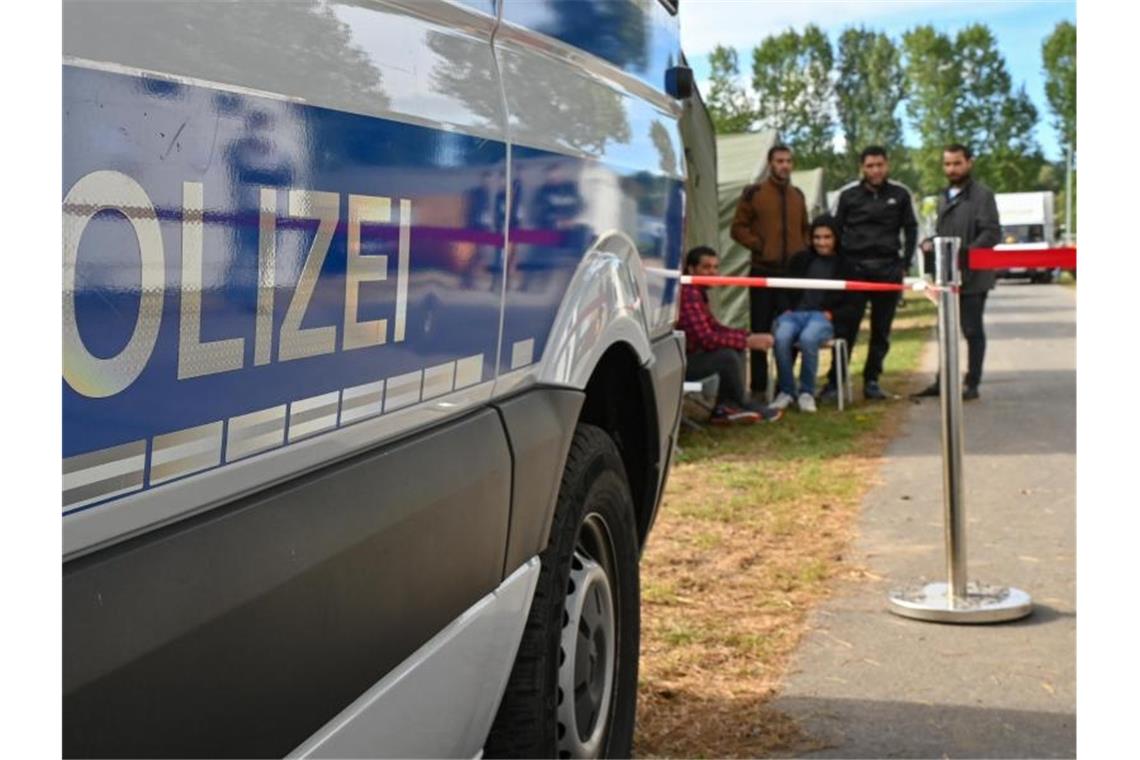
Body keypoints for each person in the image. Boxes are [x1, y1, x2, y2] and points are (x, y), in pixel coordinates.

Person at [826, 146, 917, 401]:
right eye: (870, 166)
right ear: (862, 168)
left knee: (881, 330)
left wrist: (904, 264)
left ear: (887, 165)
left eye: (879, 165)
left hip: (888, 269)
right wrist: (839, 265)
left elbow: (911, 229)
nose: (875, 170)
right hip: (855, 269)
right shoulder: (848, 195)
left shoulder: (900, 194)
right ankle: (835, 382)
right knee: (846, 328)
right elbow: (834, 230)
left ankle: (872, 381)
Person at [913, 143, 1001, 401]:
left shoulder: (982, 196)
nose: (952, 169)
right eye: (947, 164)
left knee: (972, 331)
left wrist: (964, 256)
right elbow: (943, 233)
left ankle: (971, 384)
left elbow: (991, 233)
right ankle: (943, 381)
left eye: (957, 163)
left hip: (974, 277)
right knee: (945, 331)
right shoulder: (943, 197)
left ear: (969, 163)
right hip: (946, 278)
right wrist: (931, 243)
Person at [730, 144, 810, 401]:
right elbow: (737, 228)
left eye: (788, 161)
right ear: (770, 164)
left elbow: (805, 229)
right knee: (760, 330)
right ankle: (758, 388)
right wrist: (760, 245)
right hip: (762, 272)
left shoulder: (798, 195)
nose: (784, 165)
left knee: (791, 329)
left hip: (792, 275)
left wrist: (802, 251)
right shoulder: (754, 193)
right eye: (779, 161)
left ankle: (784, 387)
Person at [678, 246, 782, 424]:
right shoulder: (689, 294)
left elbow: (714, 327)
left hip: (686, 357)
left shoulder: (696, 292)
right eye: (706, 267)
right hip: (682, 363)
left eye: (715, 267)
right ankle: (739, 404)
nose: (713, 272)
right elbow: (705, 338)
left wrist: (746, 336)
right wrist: (747, 341)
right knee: (726, 356)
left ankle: (726, 406)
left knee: (733, 347)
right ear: (691, 269)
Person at [770, 216, 857, 413]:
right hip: (794, 315)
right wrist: (785, 310)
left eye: (827, 237)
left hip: (821, 317)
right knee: (781, 337)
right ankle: (786, 391)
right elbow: (782, 289)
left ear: (836, 238)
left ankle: (806, 393)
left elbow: (854, 304)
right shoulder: (799, 259)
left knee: (808, 338)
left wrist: (831, 315)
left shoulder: (847, 265)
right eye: (817, 237)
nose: (822, 242)